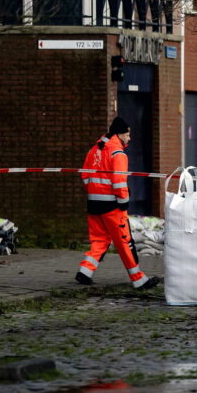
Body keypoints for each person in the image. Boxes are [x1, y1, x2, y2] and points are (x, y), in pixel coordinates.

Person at [76, 116, 156, 290]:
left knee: (99, 239)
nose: (130, 138)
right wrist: (124, 202)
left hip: (93, 203)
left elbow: (84, 174)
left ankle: (85, 271)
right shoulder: (118, 153)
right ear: (120, 134)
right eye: (128, 134)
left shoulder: (95, 150)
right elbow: (119, 181)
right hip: (112, 205)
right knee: (124, 242)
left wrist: (93, 191)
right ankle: (139, 279)